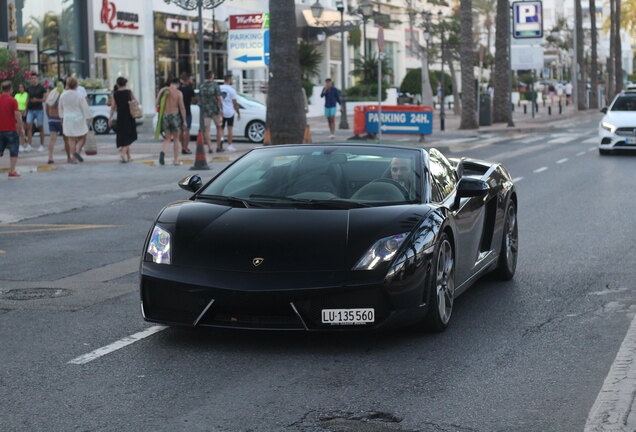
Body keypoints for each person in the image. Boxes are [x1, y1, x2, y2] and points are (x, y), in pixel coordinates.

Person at [58, 77, 92, 164]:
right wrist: (89, 117)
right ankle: (77, 150)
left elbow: (60, 108)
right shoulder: (79, 95)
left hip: (67, 118)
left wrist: (61, 117)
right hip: (78, 118)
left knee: (71, 139)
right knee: (83, 136)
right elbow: (85, 107)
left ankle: (73, 157)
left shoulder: (63, 95)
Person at [156, 78, 186, 165]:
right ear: (177, 84)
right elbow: (182, 108)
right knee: (176, 139)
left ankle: (163, 152)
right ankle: (176, 160)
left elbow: (157, 102)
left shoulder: (163, 90)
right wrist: (184, 121)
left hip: (165, 115)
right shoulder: (178, 93)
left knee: (167, 138)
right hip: (174, 115)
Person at [109, 77, 138, 163]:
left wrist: (109, 118)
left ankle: (129, 157)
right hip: (129, 116)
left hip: (120, 117)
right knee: (129, 136)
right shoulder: (129, 92)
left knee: (124, 136)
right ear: (125, 84)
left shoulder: (115, 94)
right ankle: (122, 154)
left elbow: (113, 107)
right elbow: (136, 102)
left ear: (117, 84)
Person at [0, 81, 25, 178]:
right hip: (10, 129)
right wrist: (21, 128)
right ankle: (12, 171)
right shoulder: (13, 100)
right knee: (14, 150)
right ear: (10, 90)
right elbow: (17, 115)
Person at [44, 80, 70, 164]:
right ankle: (69, 157)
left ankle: (50, 157)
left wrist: (49, 116)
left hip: (52, 118)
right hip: (62, 119)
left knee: (52, 139)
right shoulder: (65, 94)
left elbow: (47, 108)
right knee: (66, 139)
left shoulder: (50, 94)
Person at [199, 70, 223, 153]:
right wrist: (221, 109)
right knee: (219, 127)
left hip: (206, 111)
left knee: (207, 130)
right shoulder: (215, 85)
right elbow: (219, 98)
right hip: (215, 110)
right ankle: (218, 146)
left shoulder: (202, 86)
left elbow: (200, 99)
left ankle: (209, 148)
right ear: (212, 76)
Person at [25, 73, 47, 152]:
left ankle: (42, 145)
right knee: (29, 127)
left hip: (39, 110)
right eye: (32, 78)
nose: (33, 80)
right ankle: (29, 145)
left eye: (35, 78)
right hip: (30, 110)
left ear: (38, 79)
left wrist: (37, 100)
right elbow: (27, 98)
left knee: (40, 127)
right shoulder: (29, 88)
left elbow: (45, 99)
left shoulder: (41, 88)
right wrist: (25, 108)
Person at [219, 72, 240, 152]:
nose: (232, 81)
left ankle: (220, 142)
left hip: (221, 111)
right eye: (231, 79)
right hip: (229, 112)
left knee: (221, 128)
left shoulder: (219, 88)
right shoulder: (231, 90)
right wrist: (238, 112)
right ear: (229, 80)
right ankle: (229, 145)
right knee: (230, 129)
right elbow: (235, 103)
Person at [179, 73, 196, 155]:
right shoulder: (190, 89)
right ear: (187, 80)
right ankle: (185, 147)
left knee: (181, 131)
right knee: (187, 130)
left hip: (178, 112)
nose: (191, 81)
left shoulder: (179, 89)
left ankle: (182, 146)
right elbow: (193, 100)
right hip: (187, 112)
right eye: (191, 79)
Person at [14, 83, 28, 149]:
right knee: (17, 129)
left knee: (22, 129)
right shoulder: (17, 95)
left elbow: (27, 104)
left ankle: (23, 144)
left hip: (24, 112)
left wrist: (24, 110)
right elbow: (14, 103)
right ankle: (19, 144)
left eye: (22, 87)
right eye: (19, 87)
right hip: (17, 112)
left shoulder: (26, 95)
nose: (20, 89)